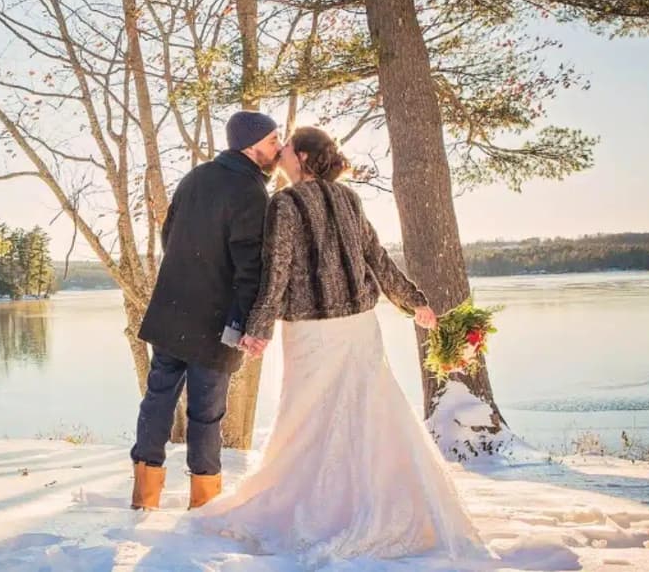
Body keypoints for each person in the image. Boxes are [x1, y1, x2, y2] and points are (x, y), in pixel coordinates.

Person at [194, 126, 484, 564]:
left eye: (287, 150)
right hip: (360, 327)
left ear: (305, 158)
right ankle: (367, 503)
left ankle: (326, 510)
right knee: (370, 415)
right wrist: (414, 302)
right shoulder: (348, 198)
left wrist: (259, 327)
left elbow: (277, 271)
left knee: (305, 419)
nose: (282, 157)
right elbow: (378, 257)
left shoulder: (286, 204)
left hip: (312, 331)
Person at [130, 110, 282, 511]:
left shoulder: (195, 177)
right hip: (215, 321)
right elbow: (251, 267)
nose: (278, 148)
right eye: (272, 141)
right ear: (250, 147)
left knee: (158, 400)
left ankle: (144, 497)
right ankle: (204, 504)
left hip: (172, 310)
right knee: (206, 414)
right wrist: (249, 322)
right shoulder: (250, 191)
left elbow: (169, 235)